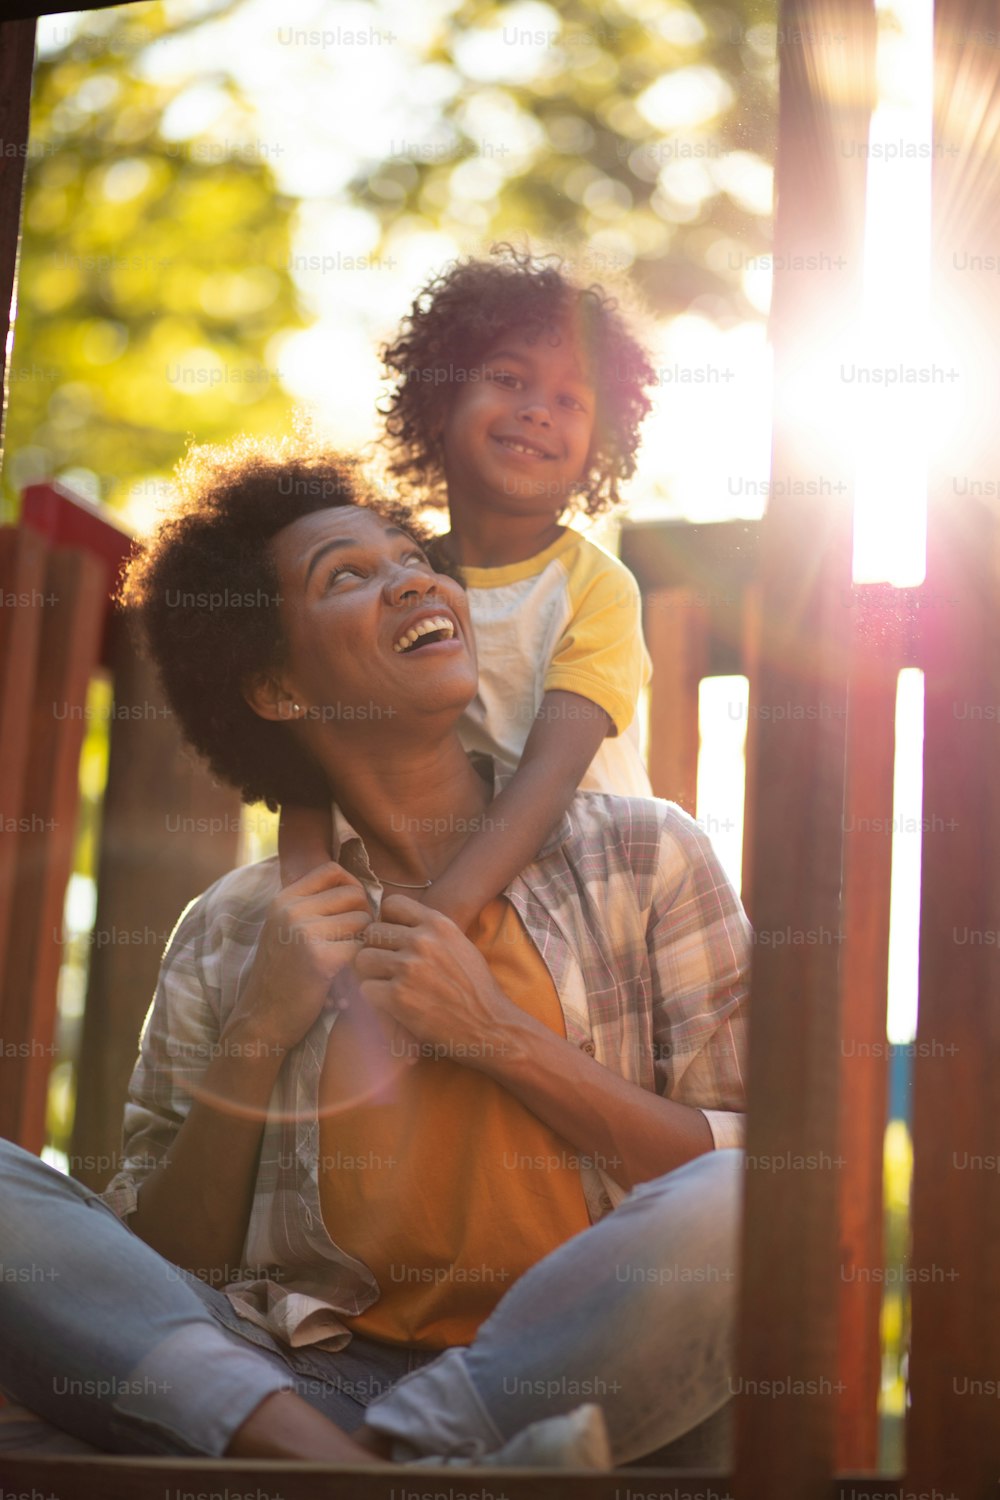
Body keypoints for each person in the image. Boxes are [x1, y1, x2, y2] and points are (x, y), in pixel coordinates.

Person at [0, 441, 750, 1470]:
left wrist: (498, 1037)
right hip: (301, 1377)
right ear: (274, 688)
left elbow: (752, 1172)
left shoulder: (644, 856)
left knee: (748, 1191)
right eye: (348, 577)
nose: (411, 577)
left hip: (571, 1387)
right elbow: (158, 1272)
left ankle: (376, 1466)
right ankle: (353, 1463)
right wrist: (255, 1038)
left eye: (409, 556)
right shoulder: (230, 931)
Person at [279, 245, 658, 933]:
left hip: (588, 892)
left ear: (600, 447)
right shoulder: (399, 582)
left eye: (571, 399)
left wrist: (442, 917)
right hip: (427, 881)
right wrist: (305, 883)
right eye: (510, 379)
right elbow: (318, 739)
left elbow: (548, 779)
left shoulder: (594, 587)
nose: (540, 411)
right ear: (438, 405)